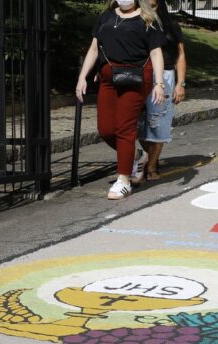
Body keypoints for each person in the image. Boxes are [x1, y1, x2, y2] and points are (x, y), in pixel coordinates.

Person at [76, 0, 166, 200]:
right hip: (109, 77)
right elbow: (94, 49)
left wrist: (159, 83)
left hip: (136, 77)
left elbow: (155, 52)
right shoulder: (106, 16)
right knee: (106, 129)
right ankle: (134, 156)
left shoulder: (147, 18)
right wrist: (83, 77)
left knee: (125, 127)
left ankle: (124, 180)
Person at [133, 0, 186, 185]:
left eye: (154, 5)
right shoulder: (137, 23)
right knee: (140, 124)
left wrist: (181, 84)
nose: (150, 9)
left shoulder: (171, 25)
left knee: (159, 122)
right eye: (146, 5)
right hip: (141, 75)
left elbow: (180, 56)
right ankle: (146, 156)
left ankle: (152, 166)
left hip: (166, 77)